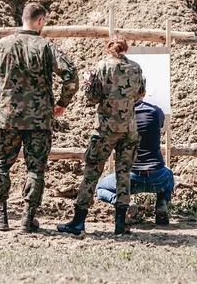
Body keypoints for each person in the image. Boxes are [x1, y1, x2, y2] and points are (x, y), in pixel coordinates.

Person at [0, 2, 78, 233]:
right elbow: (71, 76)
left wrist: (4, 101)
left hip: (8, 118)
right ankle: (27, 218)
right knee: (35, 168)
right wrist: (61, 104)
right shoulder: (46, 46)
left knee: (1, 164)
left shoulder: (1, 45)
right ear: (40, 21)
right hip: (39, 121)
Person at [58, 33, 145, 236]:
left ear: (108, 47)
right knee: (124, 175)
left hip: (105, 129)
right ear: (126, 48)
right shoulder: (136, 68)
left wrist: (90, 84)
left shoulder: (102, 66)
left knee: (92, 172)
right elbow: (141, 94)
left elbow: (92, 98)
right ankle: (120, 224)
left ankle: (78, 222)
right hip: (129, 129)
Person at [94, 96, 174, 226]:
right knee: (169, 174)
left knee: (100, 188)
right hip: (157, 177)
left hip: (130, 178)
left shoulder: (120, 116)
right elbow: (160, 125)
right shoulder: (156, 111)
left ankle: (123, 202)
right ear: (144, 93)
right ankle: (161, 203)